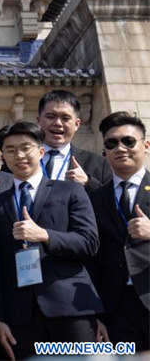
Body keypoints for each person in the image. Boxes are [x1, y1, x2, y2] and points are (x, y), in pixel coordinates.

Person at [0, 122, 104, 361]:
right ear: (3, 157)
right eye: (10, 150)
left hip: (71, 307)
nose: (19, 155)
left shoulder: (69, 191)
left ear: (40, 151)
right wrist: (0, 318)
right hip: (21, 315)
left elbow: (89, 243)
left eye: (25, 147)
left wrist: (45, 235)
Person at [90, 112, 149, 351]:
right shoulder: (94, 198)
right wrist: (96, 313)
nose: (120, 148)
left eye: (128, 141)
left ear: (146, 145)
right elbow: (91, 259)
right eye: (111, 143)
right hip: (116, 308)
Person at [2, 90, 111, 191]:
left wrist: (88, 183)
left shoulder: (98, 164)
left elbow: (111, 204)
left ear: (77, 124)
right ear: (38, 121)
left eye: (65, 118)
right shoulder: (16, 161)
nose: (58, 123)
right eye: (51, 116)